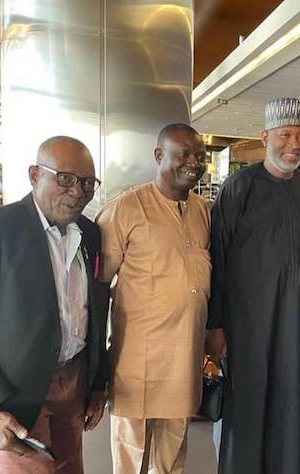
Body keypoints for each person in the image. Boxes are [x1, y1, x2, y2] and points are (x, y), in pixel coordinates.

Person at [0, 136, 109, 473]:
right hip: (14, 395)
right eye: (64, 178)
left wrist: (97, 384)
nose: (77, 191)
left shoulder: (90, 235)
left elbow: (94, 312)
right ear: (35, 174)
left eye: (87, 183)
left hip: (73, 386)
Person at [205, 97, 300, 474]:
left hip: (297, 329)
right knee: (244, 409)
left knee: (291, 409)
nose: (294, 144)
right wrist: (216, 326)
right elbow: (218, 258)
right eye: (285, 135)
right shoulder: (238, 189)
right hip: (246, 329)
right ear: (265, 137)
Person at [96, 123, 210, 474]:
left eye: (200, 156)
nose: (193, 162)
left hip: (185, 357)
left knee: (173, 453)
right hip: (138, 360)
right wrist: (94, 363)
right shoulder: (126, 208)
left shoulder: (203, 210)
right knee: (131, 453)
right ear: (159, 155)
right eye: (183, 154)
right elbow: (98, 286)